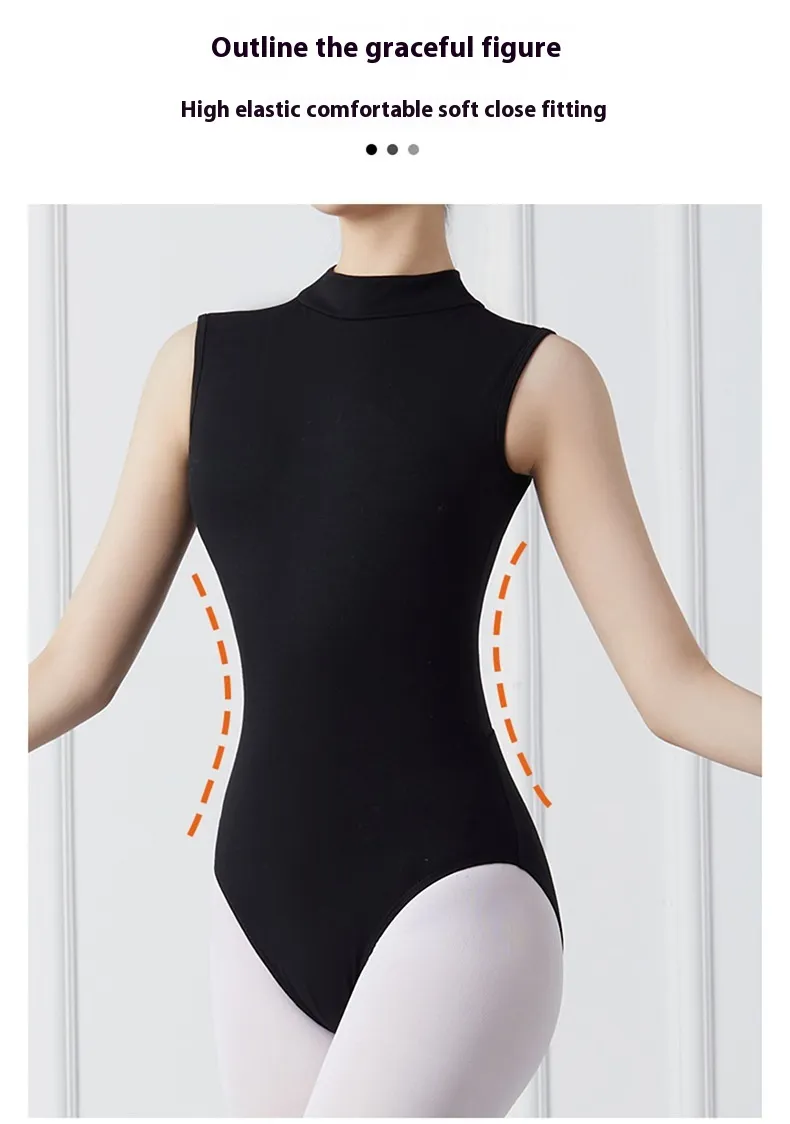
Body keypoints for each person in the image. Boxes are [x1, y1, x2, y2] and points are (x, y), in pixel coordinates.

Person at [28, 204, 761, 1118]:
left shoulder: (539, 376)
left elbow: (674, 690)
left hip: (460, 900)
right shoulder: (197, 366)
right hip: (257, 917)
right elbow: (75, 672)